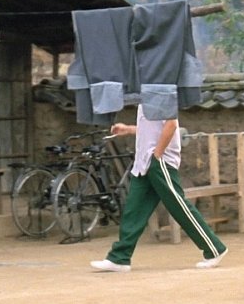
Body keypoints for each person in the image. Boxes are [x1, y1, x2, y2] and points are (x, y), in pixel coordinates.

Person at [90, 105, 227, 272]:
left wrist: (158, 154)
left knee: (178, 205)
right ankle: (119, 258)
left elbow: (171, 124)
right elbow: (151, 130)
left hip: (160, 161)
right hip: (144, 162)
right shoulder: (145, 98)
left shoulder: (163, 93)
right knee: (134, 209)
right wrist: (129, 129)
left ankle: (214, 248)